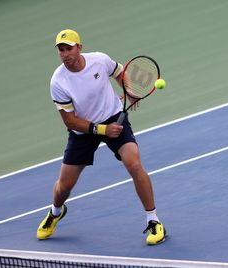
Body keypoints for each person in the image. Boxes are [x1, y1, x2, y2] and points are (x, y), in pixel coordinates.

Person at [36, 29, 166, 245]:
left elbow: (120, 73)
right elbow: (70, 121)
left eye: (68, 48)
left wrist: (130, 90)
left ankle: (154, 221)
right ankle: (56, 211)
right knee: (64, 187)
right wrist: (103, 130)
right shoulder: (58, 81)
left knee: (134, 164)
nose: (65, 53)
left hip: (113, 115)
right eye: (61, 49)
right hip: (82, 130)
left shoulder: (100, 60)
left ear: (79, 48)